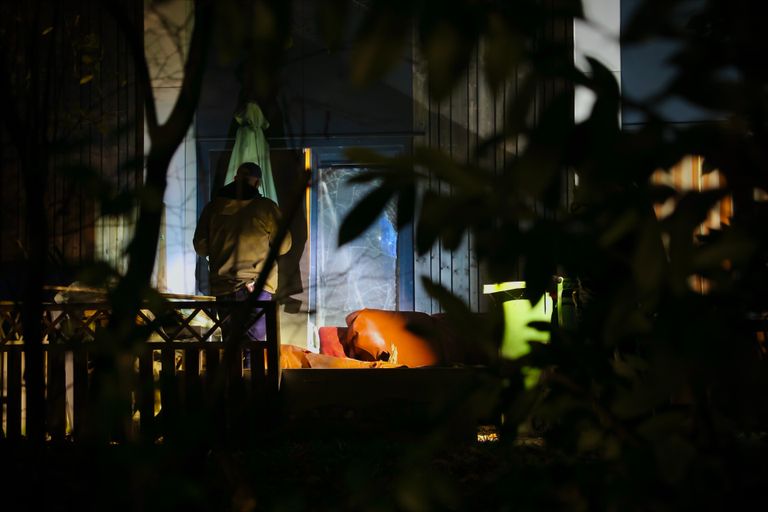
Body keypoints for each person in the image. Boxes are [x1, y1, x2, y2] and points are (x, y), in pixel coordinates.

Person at [193, 162, 291, 343]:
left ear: (235, 179)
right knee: (253, 346)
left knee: (232, 344)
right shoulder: (266, 208)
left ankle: (235, 372)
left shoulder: (213, 208)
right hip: (257, 287)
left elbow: (201, 247)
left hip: (223, 287)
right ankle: (250, 372)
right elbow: (284, 245)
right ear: (257, 184)